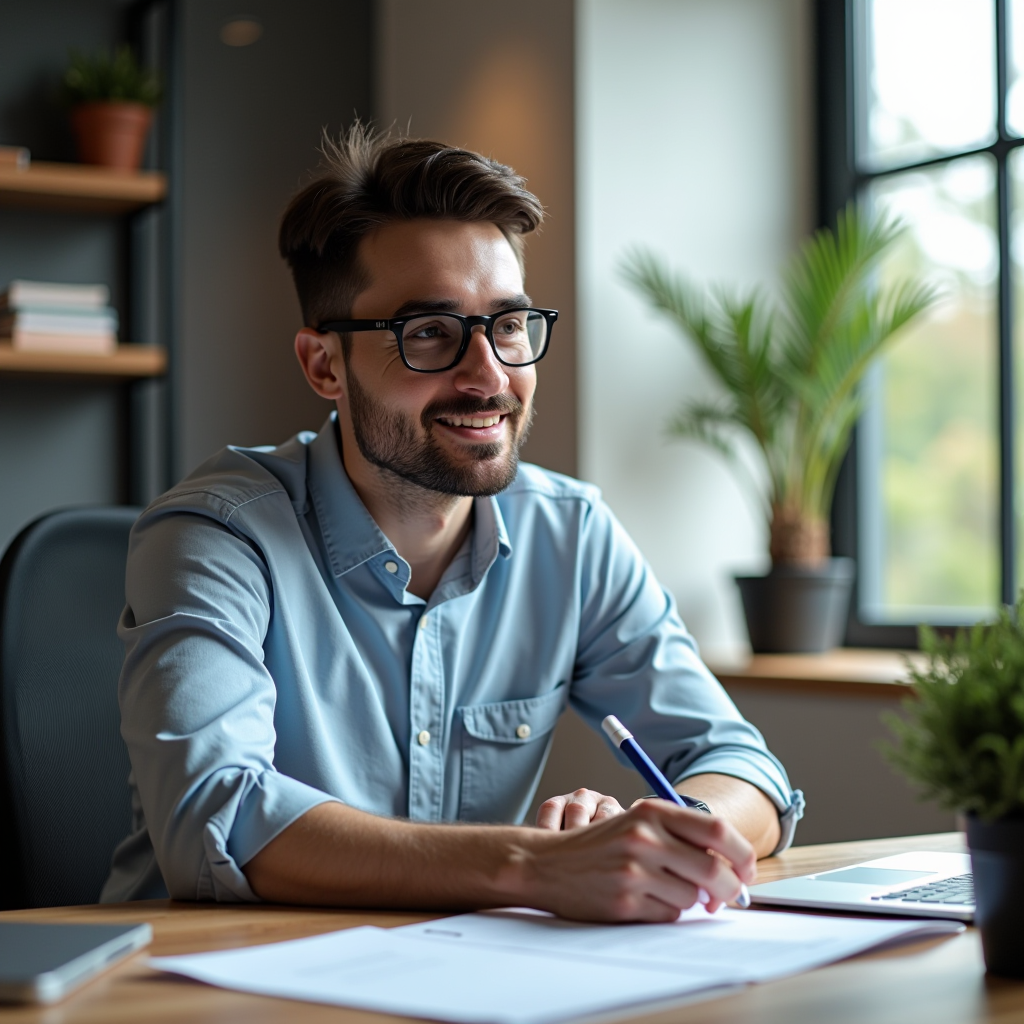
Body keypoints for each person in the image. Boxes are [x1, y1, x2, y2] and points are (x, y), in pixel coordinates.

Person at [103, 125, 803, 921]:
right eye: (429, 332)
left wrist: (662, 839)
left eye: (508, 326)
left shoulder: (568, 534)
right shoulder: (217, 534)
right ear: (324, 365)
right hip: (205, 980)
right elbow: (215, 817)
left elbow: (741, 764)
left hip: (469, 978)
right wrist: (535, 866)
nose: (490, 376)